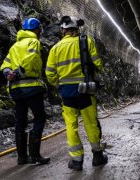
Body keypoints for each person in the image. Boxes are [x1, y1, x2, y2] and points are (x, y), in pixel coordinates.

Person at [45, 16, 107, 171]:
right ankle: (97, 156)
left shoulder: (55, 48)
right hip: (86, 91)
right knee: (91, 124)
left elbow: (50, 74)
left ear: (63, 30)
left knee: (71, 126)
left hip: (67, 93)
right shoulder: (87, 42)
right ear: (76, 29)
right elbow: (97, 64)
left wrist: (59, 85)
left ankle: (77, 160)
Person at [0, 17, 50, 165]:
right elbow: (31, 58)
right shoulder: (34, 42)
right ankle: (35, 156)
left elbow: (5, 64)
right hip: (31, 87)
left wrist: (8, 72)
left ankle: (22, 157)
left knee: (20, 122)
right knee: (39, 118)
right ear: (36, 29)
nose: (40, 32)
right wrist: (18, 72)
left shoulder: (15, 46)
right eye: (39, 30)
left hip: (16, 90)